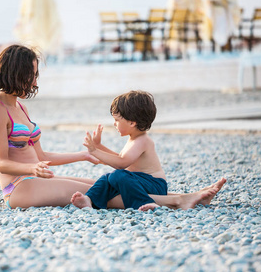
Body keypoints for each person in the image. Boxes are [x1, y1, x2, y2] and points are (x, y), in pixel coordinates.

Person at [0, 44, 225, 210]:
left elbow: (42, 156)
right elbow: (1, 162)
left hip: (35, 177)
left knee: (100, 185)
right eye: (31, 75)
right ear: (16, 73)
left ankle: (189, 197)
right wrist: (33, 168)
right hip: (18, 188)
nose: (35, 81)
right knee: (100, 195)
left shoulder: (19, 107)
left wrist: (84, 155)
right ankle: (178, 201)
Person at [71, 90, 226, 211]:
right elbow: (120, 158)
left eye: (117, 120)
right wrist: (99, 146)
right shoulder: (134, 139)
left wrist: (95, 151)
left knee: (118, 175)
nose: (114, 124)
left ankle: (146, 202)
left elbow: (121, 164)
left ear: (132, 123)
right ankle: (89, 200)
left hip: (154, 185)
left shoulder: (142, 141)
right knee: (108, 178)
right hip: (138, 181)